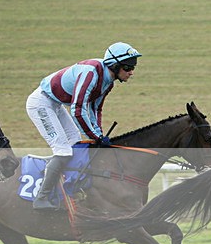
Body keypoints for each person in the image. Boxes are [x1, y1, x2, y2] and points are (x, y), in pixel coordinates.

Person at [26, 42, 141, 210]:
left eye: (133, 67)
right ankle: (41, 198)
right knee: (63, 150)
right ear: (115, 65)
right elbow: (78, 109)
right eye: (128, 67)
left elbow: (95, 109)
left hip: (56, 104)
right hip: (41, 103)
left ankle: (67, 189)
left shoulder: (108, 82)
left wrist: (99, 135)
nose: (131, 72)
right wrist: (96, 137)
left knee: (74, 143)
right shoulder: (91, 73)